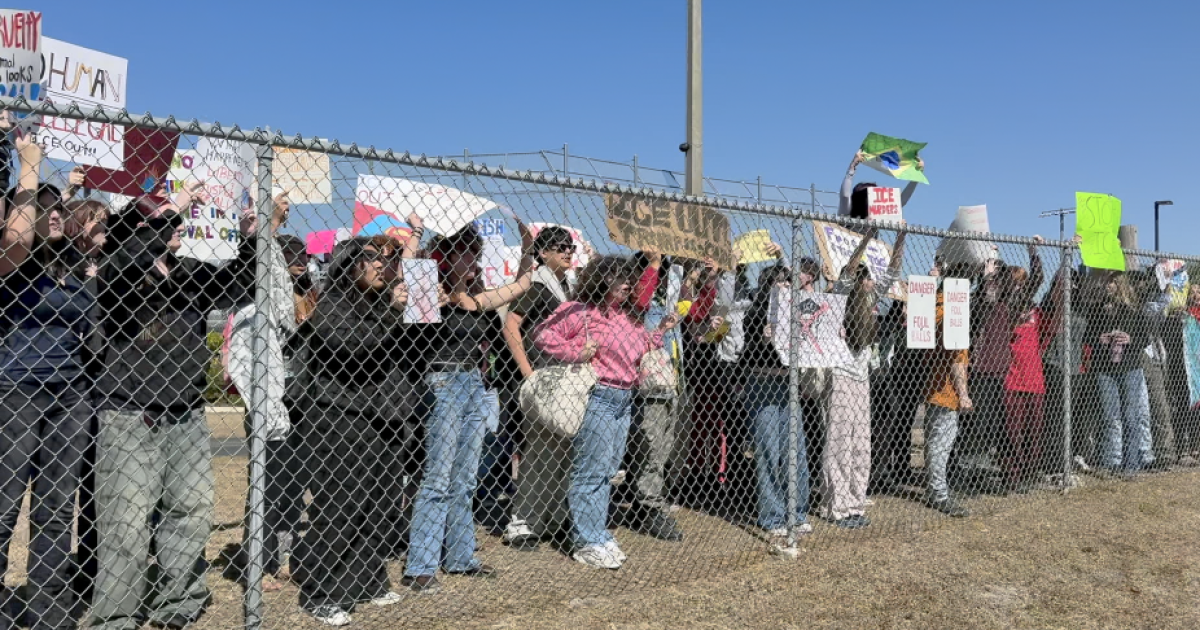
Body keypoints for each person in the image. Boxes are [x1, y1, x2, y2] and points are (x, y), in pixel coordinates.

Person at [88, 191, 250, 630]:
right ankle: (116, 616)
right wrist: (171, 206)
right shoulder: (116, 270)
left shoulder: (188, 273)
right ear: (140, 231)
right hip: (129, 414)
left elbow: (239, 284)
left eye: (173, 220)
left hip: (186, 411)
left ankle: (178, 600)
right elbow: (131, 258)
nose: (176, 226)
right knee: (126, 522)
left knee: (191, 509)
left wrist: (252, 237)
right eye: (163, 221)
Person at [289, 237, 419, 626]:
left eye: (389, 258)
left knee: (379, 505)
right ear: (349, 263)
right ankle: (319, 591)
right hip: (338, 416)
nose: (383, 264)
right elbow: (353, 346)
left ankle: (366, 580)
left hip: (382, 416)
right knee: (341, 507)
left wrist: (423, 305)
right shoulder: (332, 303)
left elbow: (412, 349)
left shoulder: (385, 303)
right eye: (372, 258)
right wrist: (393, 313)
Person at [0, 137, 96, 630]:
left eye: (59, 208)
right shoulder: (14, 267)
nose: (53, 213)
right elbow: (16, 238)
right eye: (44, 207)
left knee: (57, 505)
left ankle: (47, 609)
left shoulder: (75, 270)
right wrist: (29, 170)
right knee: (4, 500)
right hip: (19, 388)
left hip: (71, 393)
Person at [404, 224, 532, 593]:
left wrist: (526, 245)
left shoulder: (477, 297)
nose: (474, 261)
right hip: (442, 383)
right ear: (446, 256)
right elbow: (411, 267)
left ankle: (461, 557)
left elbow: (522, 285)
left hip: (476, 386)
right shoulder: (431, 290)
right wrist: (414, 232)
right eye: (466, 253)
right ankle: (421, 566)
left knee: (466, 479)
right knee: (438, 478)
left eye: (476, 253)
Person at [534, 255, 677, 569]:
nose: (626, 283)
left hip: (625, 398)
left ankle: (596, 532)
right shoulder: (580, 311)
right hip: (598, 395)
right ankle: (586, 540)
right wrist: (575, 351)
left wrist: (662, 331)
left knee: (608, 469)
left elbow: (641, 348)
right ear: (601, 279)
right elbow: (543, 334)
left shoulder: (625, 317)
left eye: (628, 277)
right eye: (618, 277)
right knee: (591, 470)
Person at [225, 190, 301, 592]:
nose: (289, 205)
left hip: (283, 363)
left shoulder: (276, 251)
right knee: (266, 466)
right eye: (283, 197)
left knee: (286, 471)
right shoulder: (254, 246)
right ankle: (257, 560)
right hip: (262, 362)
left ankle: (279, 555)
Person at [821, 225, 905, 529]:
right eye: (867, 277)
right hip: (841, 375)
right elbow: (850, 268)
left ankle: (856, 500)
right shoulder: (843, 296)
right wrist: (867, 238)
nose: (871, 282)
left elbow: (893, 273)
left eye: (871, 278)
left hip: (862, 377)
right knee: (840, 442)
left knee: (861, 442)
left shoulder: (872, 300)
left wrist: (900, 238)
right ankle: (837, 505)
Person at [500, 226, 576, 550]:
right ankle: (522, 522)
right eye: (560, 247)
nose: (568, 252)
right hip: (543, 377)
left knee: (563, 452)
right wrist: (528, 373)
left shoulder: (565, 285)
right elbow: (511, 324)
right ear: (543, 252)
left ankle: (553, 518)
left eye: (571, 247)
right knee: (539, 451)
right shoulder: (538, 281)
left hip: (563, 378)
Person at [741, 254, 812, 547]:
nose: (785, 286)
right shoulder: (756, 312)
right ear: (767, 285)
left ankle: (797, 511)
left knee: (796, 450)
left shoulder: (796, 311)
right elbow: (750, 345)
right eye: (780, 281)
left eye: (788, 281)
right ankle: (772, 516)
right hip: (763, 383)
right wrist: (763, 336)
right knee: (768, 450)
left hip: (789, 384)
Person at [624, 249, 685, 542]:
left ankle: (643, 503)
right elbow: (640, 300)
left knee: (662, 446)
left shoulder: (663, 300)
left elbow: (696, 307)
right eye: (657, 273)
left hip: (667, 380)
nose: (661, 278)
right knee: (648, 445)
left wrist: (711, 279)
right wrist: (654, 263)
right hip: (646, 385)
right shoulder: (636, 301)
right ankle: (648, 506)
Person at [1086, 272, 1153, 476]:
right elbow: (1088, 335)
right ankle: (1112, 460)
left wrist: (1129, 339)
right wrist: (1100, 339)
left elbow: (1145, 338)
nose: (1109, 286)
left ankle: (1131, 463)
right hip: (1105, 368)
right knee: (1110, 415)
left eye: (1113, 282)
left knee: (1130, 414)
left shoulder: (1134, 310)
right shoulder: (1097, 309)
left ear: (1121, 285)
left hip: (1130, 367)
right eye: (1107, 282)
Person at [998, 237, 1047, 494]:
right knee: (1012, 431)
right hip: (1011, 377)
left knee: (1033, 431)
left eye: (1022, 282)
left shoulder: (1034, 308)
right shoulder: (1003, 307)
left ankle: (1029, 474)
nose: (1019, 287)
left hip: (1034, 378)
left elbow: (1039, 278)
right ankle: (1011, 476)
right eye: (1014, 282)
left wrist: (1033, 252)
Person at [923, 268, 973, 517]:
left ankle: (937, 489)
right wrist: (963, 394)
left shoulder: (934, 304)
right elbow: (956, 357)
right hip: (946, 391)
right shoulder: (953, 311)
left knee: (936, 442)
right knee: (940, 445)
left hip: (935, 386)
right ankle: (939, 494)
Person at [837, 150, 921, 220]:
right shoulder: (848, 212)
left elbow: (900, 202)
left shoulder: (876, 214)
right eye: (866, 195)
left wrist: (917, 175)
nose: (869, 198)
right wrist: (853, 165)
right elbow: (845, 196)